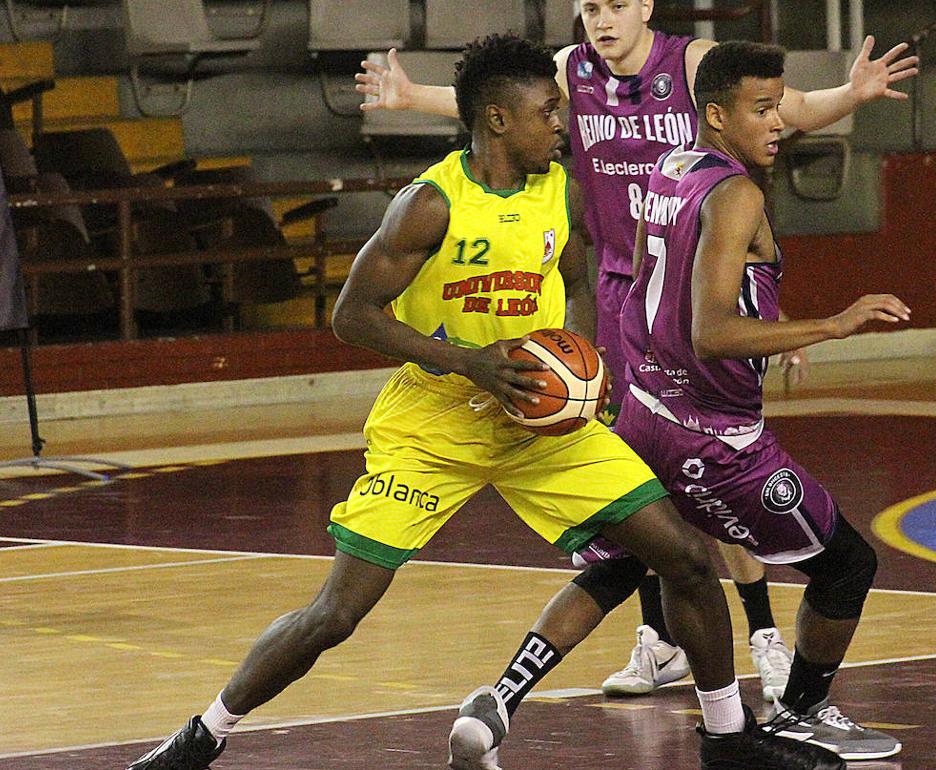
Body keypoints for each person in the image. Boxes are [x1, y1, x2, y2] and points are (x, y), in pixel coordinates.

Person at [126, 33, 843, 770]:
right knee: (336, 614)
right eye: (547, 112)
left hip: (540, 416)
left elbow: (576, 269)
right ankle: (204, 734)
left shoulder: (558, 186)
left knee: (686, 558)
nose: (562, 124)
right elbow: (353, 316)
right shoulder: (429, 205)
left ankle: (726, 738)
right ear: (498, 120)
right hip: (435, 426)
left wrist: (583, 361)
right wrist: (469, 363)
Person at [355, 0, 919, 698]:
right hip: (624, 291)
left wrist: (849, 95)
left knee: (708, 467)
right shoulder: (568, 71)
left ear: (646, 7)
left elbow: (786, 108)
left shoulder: (685, 66)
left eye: (616, 4)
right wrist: (411, 98)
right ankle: (659, 642)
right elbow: (492, 103)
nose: (602, 17)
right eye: (589, 6)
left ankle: (762, 632)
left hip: (686, 282)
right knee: (664, 476)